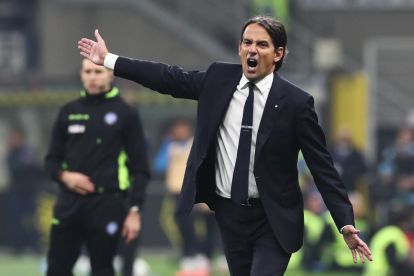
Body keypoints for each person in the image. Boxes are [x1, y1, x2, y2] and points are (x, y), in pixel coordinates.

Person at [78, 16, 372, 275]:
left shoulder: (296, 103)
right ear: (239, 48)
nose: (252, 49)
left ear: (278, 53)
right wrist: (110, 60)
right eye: (247, 42)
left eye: (262, 44)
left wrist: (345, 222)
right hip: (231, 215)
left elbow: (323, 167)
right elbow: (168, 77)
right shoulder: (219, 79)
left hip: (274, 219)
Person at [45, 59, 150, 276]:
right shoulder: (68, 111)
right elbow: (51, 161)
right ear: (82, 75)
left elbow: (140, 168)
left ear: (110, 74)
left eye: (98, 71)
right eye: (88, 71)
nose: (93, 77)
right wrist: (65, 177)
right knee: (56, 268)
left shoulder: (126, 113)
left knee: (102, 269)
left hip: (108, 203)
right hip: (69, 203)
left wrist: (134, 210)